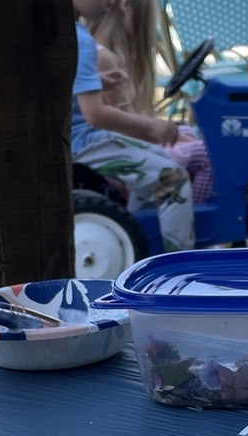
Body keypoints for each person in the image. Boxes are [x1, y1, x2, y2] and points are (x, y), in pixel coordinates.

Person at [71, 0, 195, 252]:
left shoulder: (69, 34)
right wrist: (151, 126)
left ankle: (138, 240)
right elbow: (95, 115)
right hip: (85, 142)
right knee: (173, 178)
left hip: (81, 137)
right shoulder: (82, 41)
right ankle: (180, 259)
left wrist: (98, 81)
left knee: (158, 161)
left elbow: (67, 84)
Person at [87, 0, 214, 204]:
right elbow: (126, 128)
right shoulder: (104, 58)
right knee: (209, 155)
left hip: (121, 146)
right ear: (126, 5)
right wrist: (190, 142)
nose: (146, 28)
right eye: (146, 19)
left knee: (189, 133)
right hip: (119, 157)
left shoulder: (99, 50)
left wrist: (183, 137)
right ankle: (199, 218)